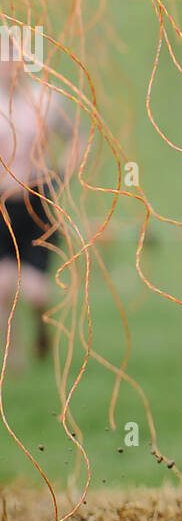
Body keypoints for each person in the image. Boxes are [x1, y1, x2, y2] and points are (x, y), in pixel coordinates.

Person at [0, 55, 76, 370]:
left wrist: (62, 175)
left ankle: (42, 330)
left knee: (35, 291)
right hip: (2, 201)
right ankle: (12, 356)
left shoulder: (45, 100)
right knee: (2, 285)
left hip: (37, 200)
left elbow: (77, 135)